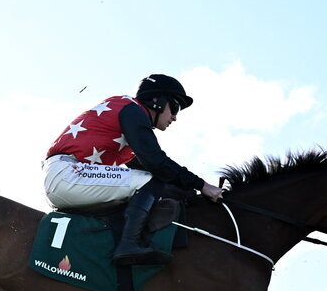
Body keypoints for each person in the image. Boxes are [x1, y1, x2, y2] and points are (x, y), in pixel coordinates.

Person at [43, 74, 225, 266]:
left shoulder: (125, 115)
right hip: (67, 174)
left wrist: (188, 191)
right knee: (149, 181)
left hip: (65, 176)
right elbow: (156, 162)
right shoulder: (133, 111)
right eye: (175, 107)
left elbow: (155, 170)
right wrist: (202, 185)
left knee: (150, 182)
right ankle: (128, 245)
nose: (175, 117)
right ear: (157, 101)